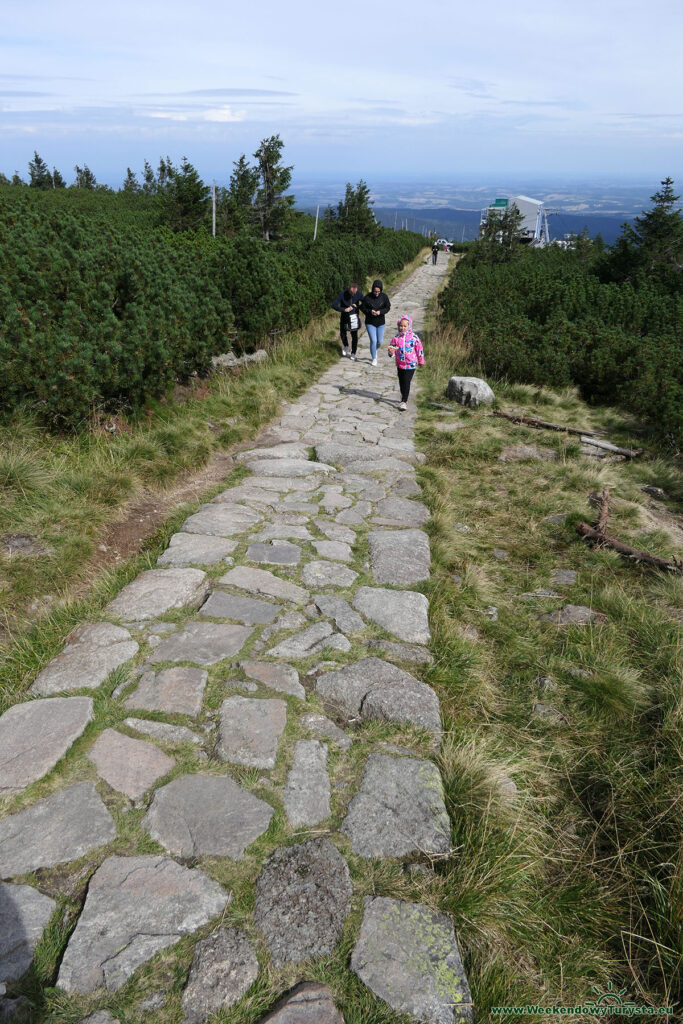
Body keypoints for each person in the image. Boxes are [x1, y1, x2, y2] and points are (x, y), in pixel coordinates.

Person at [387, 313, 424, 410]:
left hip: (411, 364)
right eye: (401, 326)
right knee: (401, 381)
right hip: (400, 364)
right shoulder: (396, 338)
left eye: (405, 326)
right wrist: (391, 352)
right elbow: (391, 349)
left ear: (409, 326)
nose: (402, 328)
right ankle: (403, 395)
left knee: (407, 382)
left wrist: (421, 361)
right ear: (398, 326)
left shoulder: (414, 338)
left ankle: (404, 401)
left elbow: (419, 350)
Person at [360, 279, 391, 366]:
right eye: (375, 291)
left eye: (378, 291)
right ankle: (374, 358)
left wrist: (380, 312)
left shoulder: (384, 297)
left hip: (381, 322)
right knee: (373, 340)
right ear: (372, 289)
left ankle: (374, 349)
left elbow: (388, 307)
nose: (376, 293)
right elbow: (362, 308)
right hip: (370, 322)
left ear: (381, 290)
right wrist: (370, 311)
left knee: (379, 342)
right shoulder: (367, 297)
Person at [331, 282, 363, 359]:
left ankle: (353, 353)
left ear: (357, 290)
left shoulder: (359, 293)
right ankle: (346, 345)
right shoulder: (342, 293)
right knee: (342, 333)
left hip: (354, 317)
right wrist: (344, 309)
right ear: (349, 289)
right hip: (344, 316)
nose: (353, 294)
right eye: (352, 293)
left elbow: (365, 302)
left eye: (354, 293)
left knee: (354, 335)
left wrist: (357, 306)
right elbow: (333, 305)